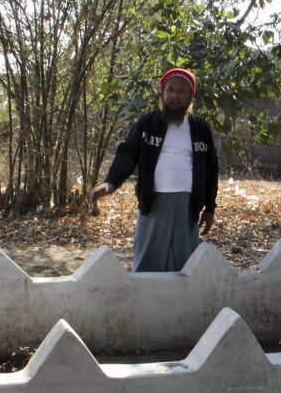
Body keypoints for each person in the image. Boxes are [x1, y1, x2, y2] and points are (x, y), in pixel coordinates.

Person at [88, 68, 219, 272]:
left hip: (188, 205)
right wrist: (110, 183)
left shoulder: (200, 128)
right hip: (154, 201)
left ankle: (181, 303)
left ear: (191, 96)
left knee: (186, 266)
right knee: (148, 263)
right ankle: (144, 302)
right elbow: (127, 154)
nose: (174, 96)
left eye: (182, 91)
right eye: (170, 90)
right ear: (163, 93)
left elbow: (211, 169)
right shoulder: (147, 123)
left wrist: (210, 207)